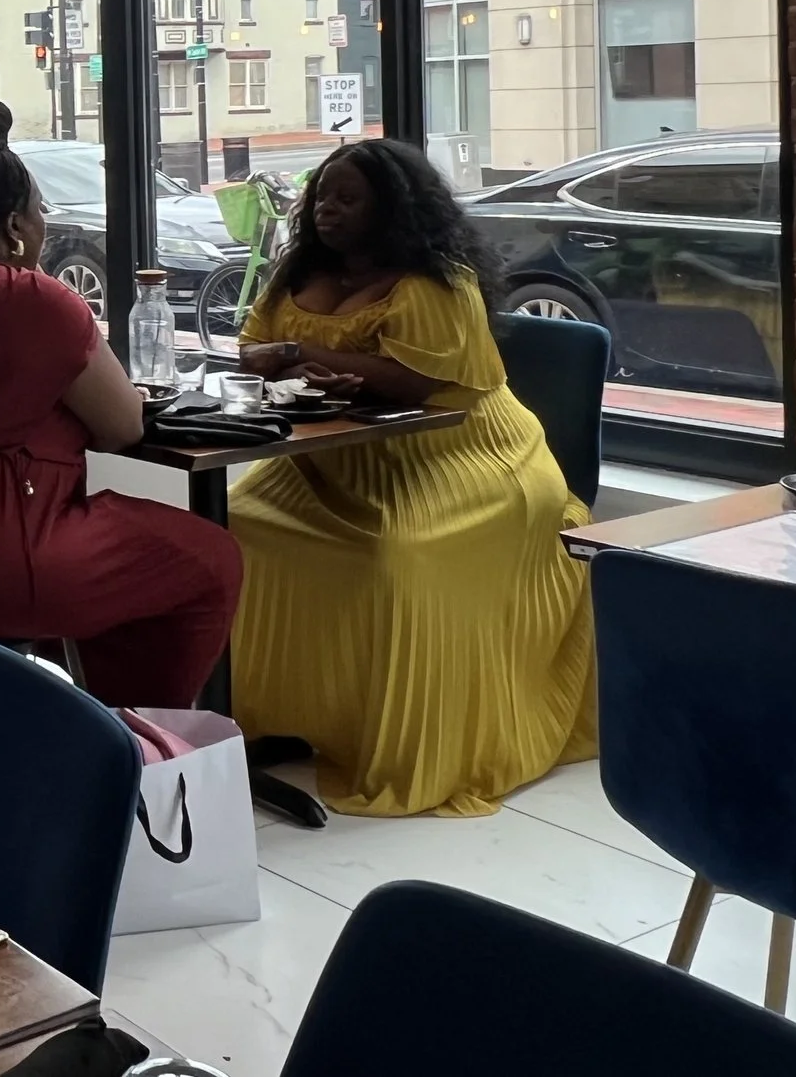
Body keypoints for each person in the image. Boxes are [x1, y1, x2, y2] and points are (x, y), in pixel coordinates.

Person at [229, 136, 596, 817]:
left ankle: (387, 736)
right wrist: (296, 363)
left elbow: (419, 380)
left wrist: (302, 353)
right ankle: (284, 717)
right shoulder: (297, 271)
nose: (328, 210)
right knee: (237, 526)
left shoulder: (435, 281)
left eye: (348, 199)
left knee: (395, 554)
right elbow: (252, 348)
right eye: (323, 196)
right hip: (326, 458)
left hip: (458, 456)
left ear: (392, 208)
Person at [0, 99, 241, 708]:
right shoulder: (37, 299)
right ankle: (145, 739)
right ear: (14, 227)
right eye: (41, 212)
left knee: (132, 569)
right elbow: (123, 427)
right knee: (211, 560)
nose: (44, 225)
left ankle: (86, 722)